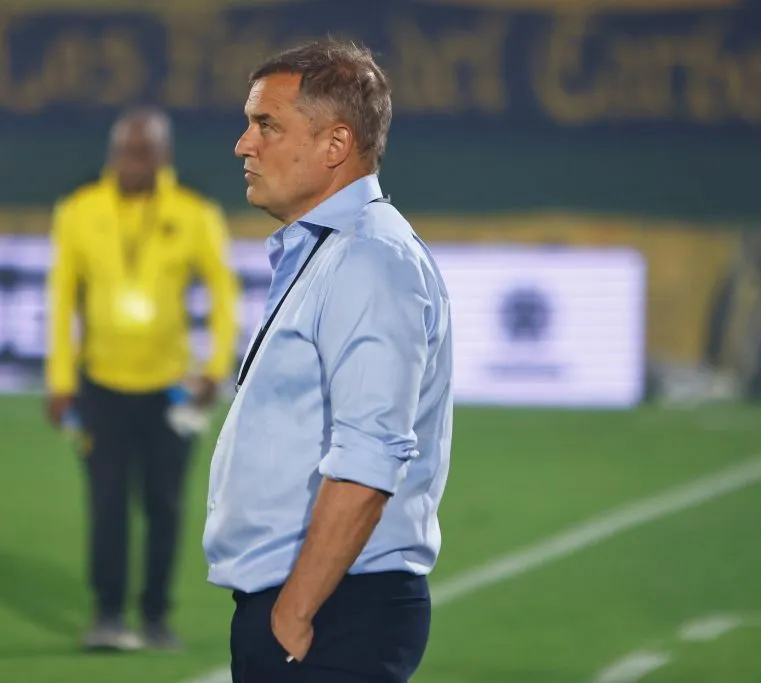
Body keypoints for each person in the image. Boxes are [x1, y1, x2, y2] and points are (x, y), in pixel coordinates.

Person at [202, 39, 454, 682]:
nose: (243, 144)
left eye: (267, 124)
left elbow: (371, 453)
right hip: (319, 602)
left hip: (335, 609)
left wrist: (295, 609)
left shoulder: (368, 258)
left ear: (335, 145)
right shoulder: (330, 250)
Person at [45, 107, 240, 652]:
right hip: (101, 385)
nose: (132, 162)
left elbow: (224, 294)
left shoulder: (195, 213)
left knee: (165, 504)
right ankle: (108, 613)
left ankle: (155, 616)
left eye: (143, 152)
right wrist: (60, 379)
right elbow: (62, 300)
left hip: (170, 388)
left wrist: (215, 368)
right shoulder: (79, 211)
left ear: (163, 156)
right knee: (106, 502)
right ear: (113, 155)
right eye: (125, 151)